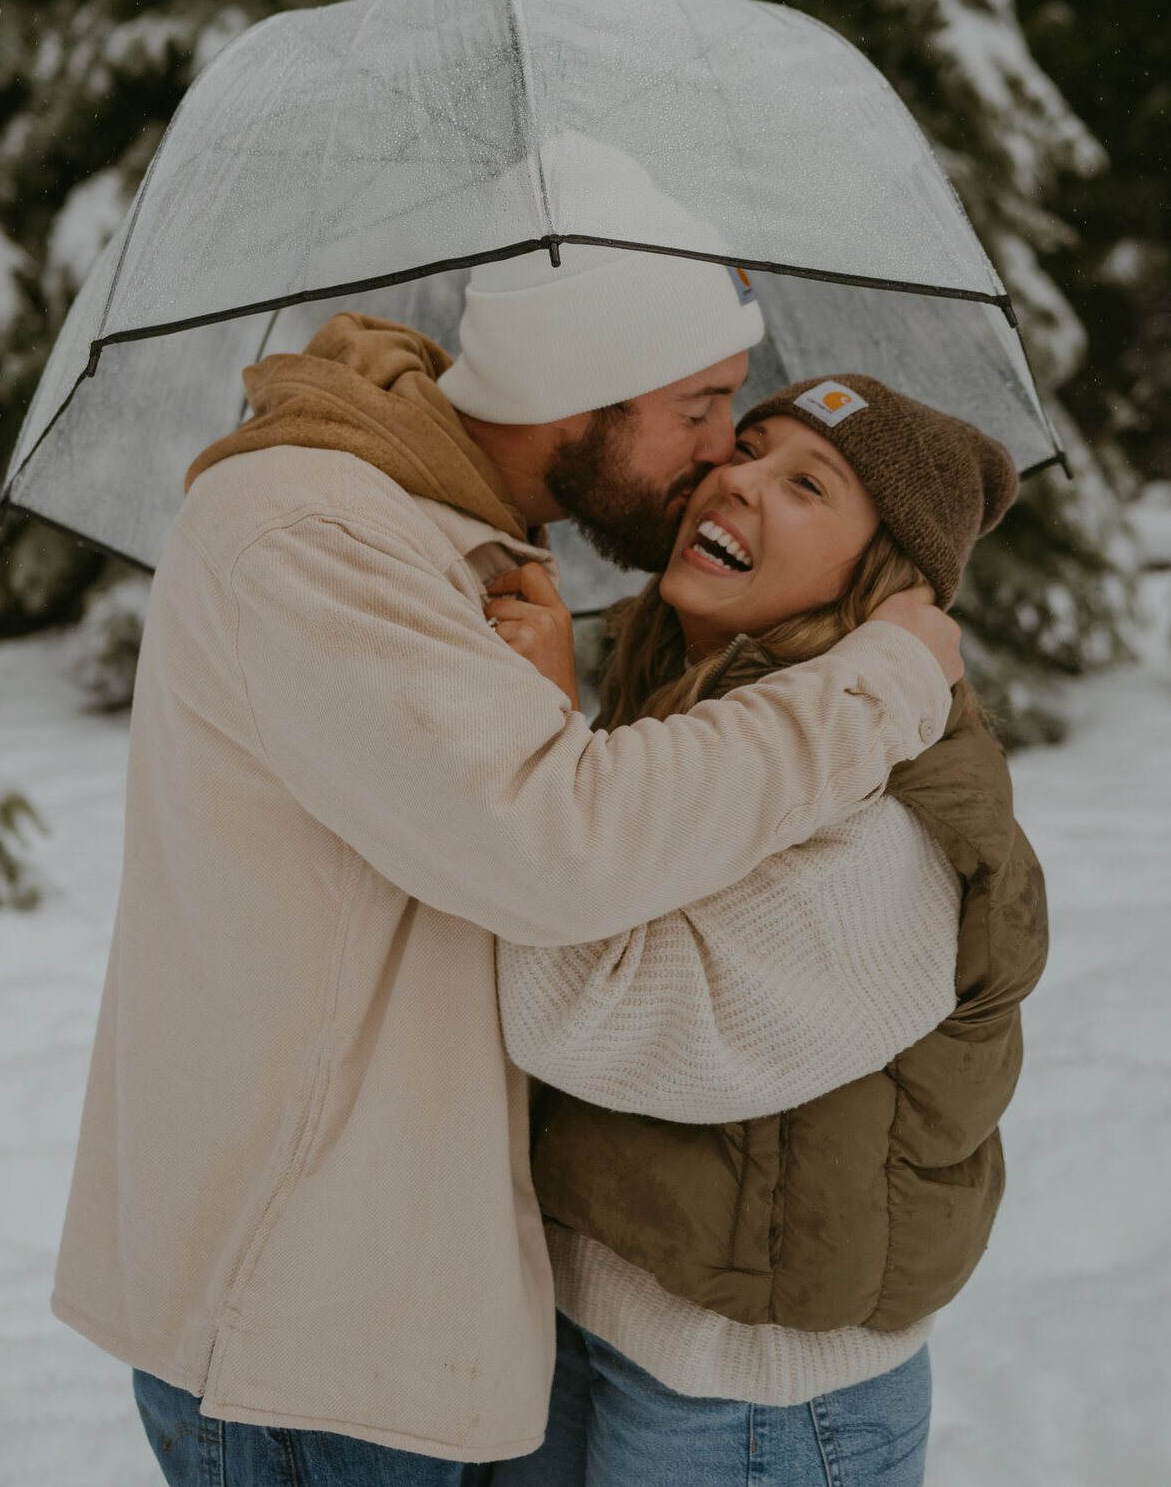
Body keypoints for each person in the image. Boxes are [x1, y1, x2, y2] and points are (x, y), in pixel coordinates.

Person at [51, 245, 961, 1485]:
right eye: (709, 417)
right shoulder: (325, 531)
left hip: (711, 1385)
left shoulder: (863, 796)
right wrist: (880, 680)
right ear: (583, 395)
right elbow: (563, 854)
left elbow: (598, 945)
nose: (717, 462)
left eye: (787, 468)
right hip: (304, 1336)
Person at [489, 375, 1048, 1487]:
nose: (734, 478)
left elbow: (591, 1020)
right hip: (581, 1321)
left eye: (806, 483)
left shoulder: (894, 815)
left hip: (756, 1406)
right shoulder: (701, 719)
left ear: (880, 579)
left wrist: (536, 745)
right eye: (744, 449)